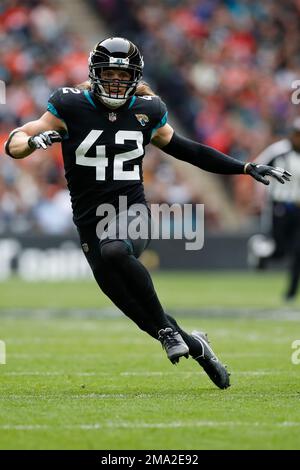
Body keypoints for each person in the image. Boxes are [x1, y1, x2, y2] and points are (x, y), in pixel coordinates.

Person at [4, 37, 291, 389]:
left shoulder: (148, 110)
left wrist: (244, 167)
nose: (115, 83)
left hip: (130, 209)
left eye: (123, 77)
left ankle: (170, 333)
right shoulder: (70, 104)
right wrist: (33, 143)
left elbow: (190, 150)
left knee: (115, 250)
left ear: (134, 78)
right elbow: (15, 141)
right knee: (133, 308)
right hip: (89, 219)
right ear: (94, 74)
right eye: (108, 74)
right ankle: (198, 346)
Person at [248, 118, 300, 302]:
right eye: (296, 134)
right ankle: (260, 249)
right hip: (280, 206)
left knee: (297, 251)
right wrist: (258, 197)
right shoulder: (278, 151)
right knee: (280, 250)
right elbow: (257, 168)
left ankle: (291, 293)